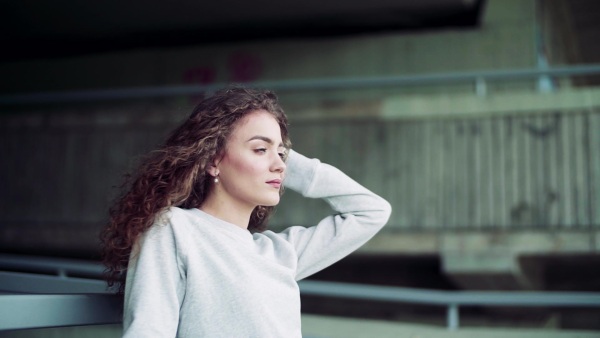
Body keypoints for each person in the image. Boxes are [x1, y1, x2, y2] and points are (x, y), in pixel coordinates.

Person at [100, 86, 391, 337]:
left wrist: (282, 158)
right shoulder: (173, 229)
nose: (279, 165)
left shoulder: (280, 253)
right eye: (259, 150)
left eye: (282, 153)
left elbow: (372, 211)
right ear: (213, 160)